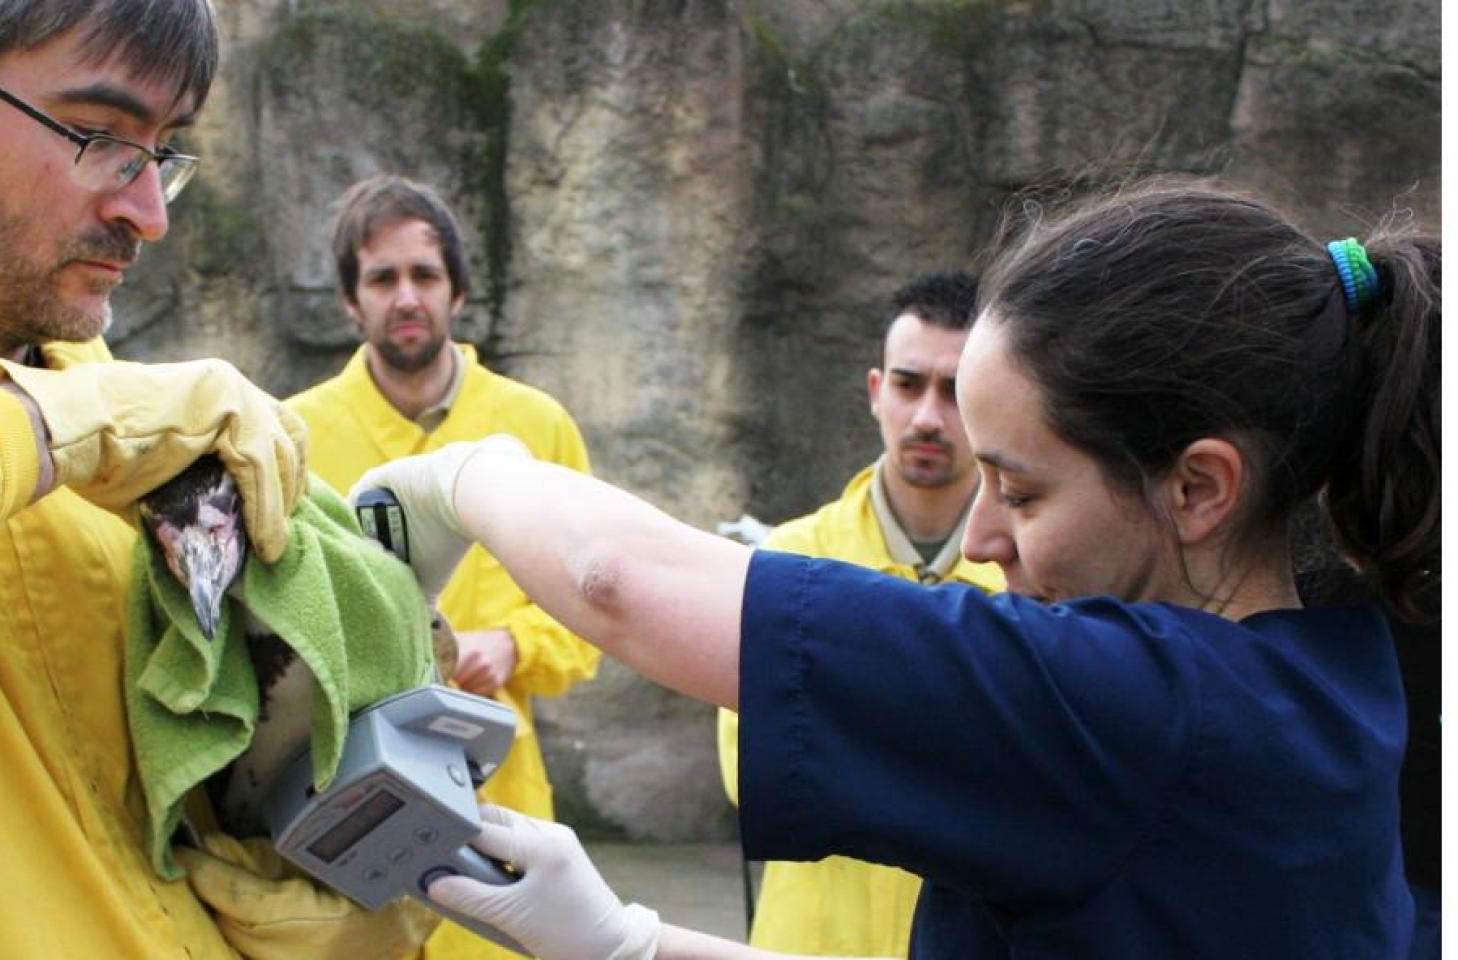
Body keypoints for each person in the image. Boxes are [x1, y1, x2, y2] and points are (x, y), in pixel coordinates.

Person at [355, 178, 1439, 958]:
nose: (979, 541)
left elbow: (612, 583)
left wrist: (463, 472)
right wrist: (629, 943)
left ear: (1197, 488)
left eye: (1019, 491)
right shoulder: (1340, 692)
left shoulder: (1129, 708)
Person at [0, 3, 425, 957]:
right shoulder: (97, 421)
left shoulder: (127, 416)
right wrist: (74, 426)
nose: (147, 212)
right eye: (101, 136)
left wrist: (306, 894)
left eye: (163, 152)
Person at [286, 173, 601, 960]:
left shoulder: (535, 427)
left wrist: (519, 647)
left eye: (424, 275)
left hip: (499, 796)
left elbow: (591, 617)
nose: (406, 297)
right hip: (348, 797)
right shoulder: (293, 433)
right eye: (382, 278)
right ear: (350, 302)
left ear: (457, 292)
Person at [716, 271, 1003, 957]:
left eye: (956, 389)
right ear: (877, 392)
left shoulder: (1031, 579)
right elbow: (749, 770)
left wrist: (845, 730)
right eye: (909, 385)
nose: (929, 416)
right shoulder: (790, 562)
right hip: (809, 941)